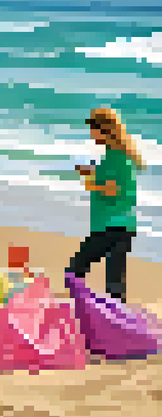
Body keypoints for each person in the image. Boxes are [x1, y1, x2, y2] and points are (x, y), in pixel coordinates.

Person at [69, 107, 144, 303]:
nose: (91, 135)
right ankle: (110, 317)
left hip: (111, 226)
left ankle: (82, 310)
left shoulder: (115, 156)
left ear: (104, 130)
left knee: (74, 270)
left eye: (93, 130)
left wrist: (91, 182)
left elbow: (112, 189)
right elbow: (116, 181)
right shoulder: (119, 154)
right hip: (122, 225)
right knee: (114, 285)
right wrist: (91, 171)